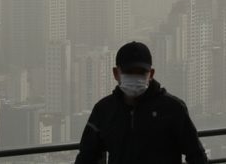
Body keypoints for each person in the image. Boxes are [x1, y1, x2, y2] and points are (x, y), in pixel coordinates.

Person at [75, 41, 208, 164]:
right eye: (129, 72)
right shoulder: (104, 110)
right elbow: (87, 155)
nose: (135, 78)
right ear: (116, 73)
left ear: (151, 74)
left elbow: (196, 154)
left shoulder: (173, 108)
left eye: (141, 73)